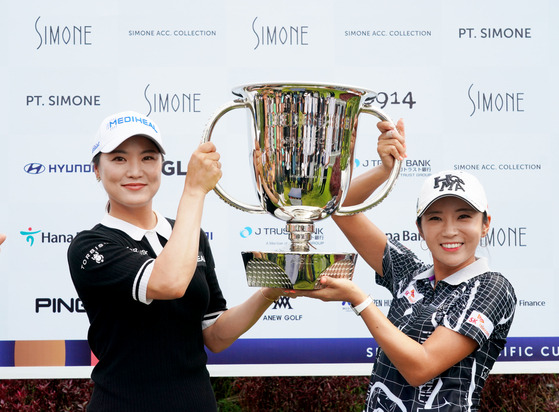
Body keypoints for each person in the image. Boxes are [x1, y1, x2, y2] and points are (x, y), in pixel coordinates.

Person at [292, 119, 517, 411]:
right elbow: (340, 209)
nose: (449, 230)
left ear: (485, 224)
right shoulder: (410, 273)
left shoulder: (491, 287)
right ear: (420, 229)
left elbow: (420, 368)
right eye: (435, 218)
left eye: (464, 217)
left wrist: (359, 300)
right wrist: (384, 171)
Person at [67, 111, 283, 411]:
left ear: (161, 165)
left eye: (148, 158)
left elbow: (215, 335)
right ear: (96, 169)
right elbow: (168, 283)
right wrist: (194, 190)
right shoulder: (90, 246)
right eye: (118, 159)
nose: (134, 171)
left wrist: (269, 292)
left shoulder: (188, 235)